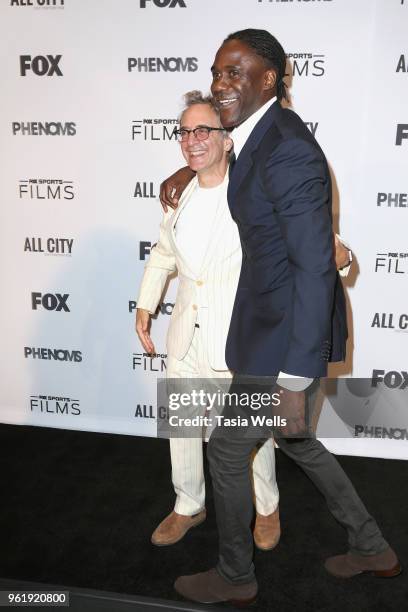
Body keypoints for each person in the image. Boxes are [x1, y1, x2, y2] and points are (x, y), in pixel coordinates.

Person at [172, 29, 401, 606]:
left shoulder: (287, 146)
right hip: (269, 326)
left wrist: (297, 376)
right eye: (218, 72)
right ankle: (372, 546)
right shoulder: (255, 137)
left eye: (236, 72)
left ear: (270, 78)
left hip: (282, 339)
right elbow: (239, 183)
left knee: (226, 451)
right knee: (297, 441)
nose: (222, 83)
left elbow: (312, 265)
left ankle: (234, 576)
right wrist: (185, 178)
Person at [135, 92, 280, 550]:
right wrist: (145, 304)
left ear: (227, 139)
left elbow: (303, 234)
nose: (191, 141)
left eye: (203, 131)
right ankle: (188, 503)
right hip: (185, 334)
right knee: (181, 426)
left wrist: (338, 257)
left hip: (235, 339)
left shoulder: (254, 190)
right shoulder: (180, 195)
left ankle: (267, 507)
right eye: (184, 132)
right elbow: (162, 254)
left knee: (249, 434)